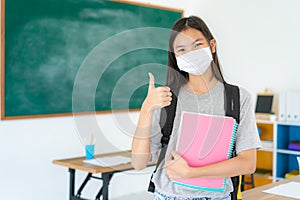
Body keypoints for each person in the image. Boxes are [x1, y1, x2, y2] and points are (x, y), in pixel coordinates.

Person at [131, 16, 261, 200]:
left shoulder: (238, 98)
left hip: (218, 197)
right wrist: (146, 109)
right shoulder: (167, 98)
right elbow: (138, 162)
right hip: (167, 196)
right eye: (181, 50)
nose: (190, 53)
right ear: (175, 57)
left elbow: (248, 164)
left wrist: (190, 172)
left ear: (212, 45)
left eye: (197, 45)